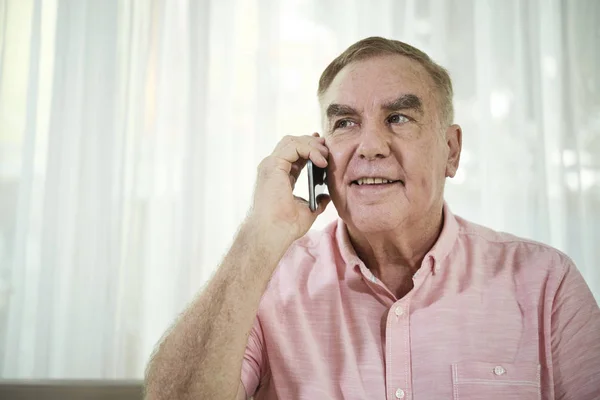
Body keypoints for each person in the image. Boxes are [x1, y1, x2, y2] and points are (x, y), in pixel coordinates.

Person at [144, 37, 600, 400]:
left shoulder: (546, 282)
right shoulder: (267, 282)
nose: (370, 146)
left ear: (452, 150)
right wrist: (258, 236)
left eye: (398, 118)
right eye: (345, 123)